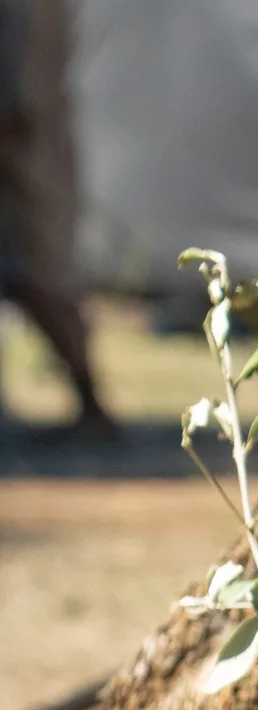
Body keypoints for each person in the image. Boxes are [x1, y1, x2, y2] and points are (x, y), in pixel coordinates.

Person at [0, 0, 106, 431]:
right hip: (31, 145)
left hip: (23, 152)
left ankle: (92, 404)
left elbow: (16, 93)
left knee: (37, 279)